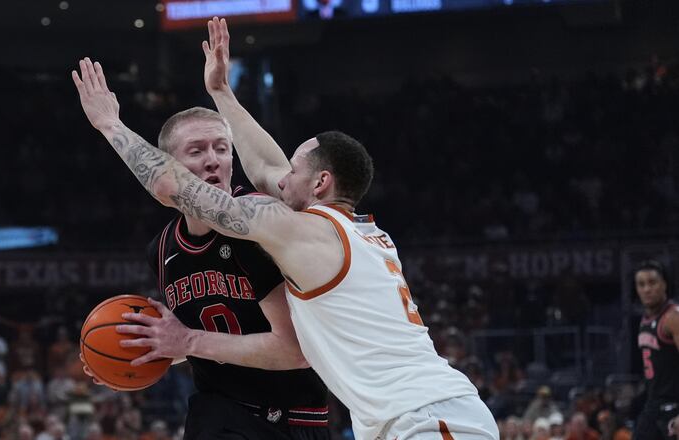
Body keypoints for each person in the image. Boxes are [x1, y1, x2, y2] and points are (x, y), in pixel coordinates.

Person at [71, 17, 497, 439]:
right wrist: (221, 92)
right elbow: (265, 168)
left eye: (293, 169)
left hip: (427, 417)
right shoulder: (348, 231)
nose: (279, 178)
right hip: (404, 417)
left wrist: (111, 125)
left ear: (320, 183)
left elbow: (173, 187)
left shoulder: (301, 233)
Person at [83, 104, 329, 440]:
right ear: (170, 166)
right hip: (220, 414)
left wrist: (187, 340)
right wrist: (128, 355)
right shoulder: (161, 249)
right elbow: (200, 340)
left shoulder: (261, 226)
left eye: (222, 148)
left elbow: (295, 351)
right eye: (196, 151)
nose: (212, 159)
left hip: (292, 416)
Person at [634, 260, 679, 440]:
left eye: (652, 283)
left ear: (664, 284)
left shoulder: (672, 318)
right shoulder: (645, 319)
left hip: (674, 407)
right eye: (641, 284)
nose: (646, 289)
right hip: (653, 406)